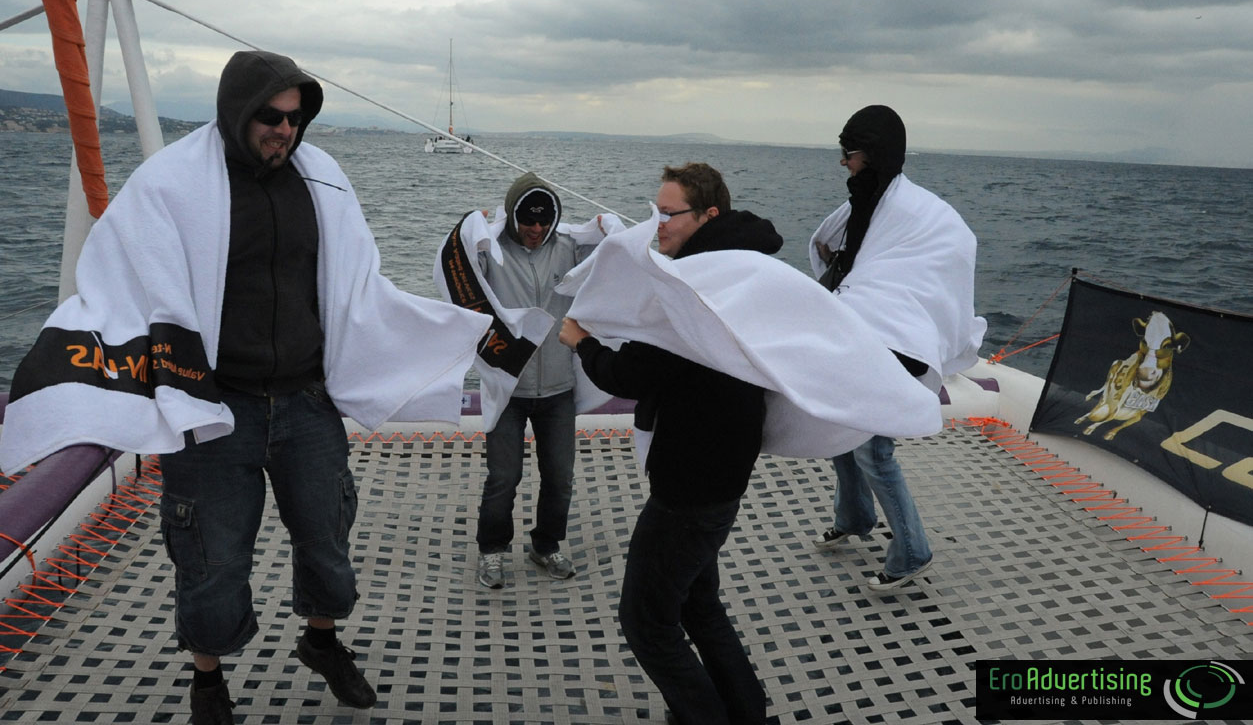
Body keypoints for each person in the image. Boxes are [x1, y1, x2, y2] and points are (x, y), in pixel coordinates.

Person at [2, 50, 491, 725]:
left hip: (306, 399)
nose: (284, 130)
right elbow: (116, 281)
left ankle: (321, 642)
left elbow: (357, 283)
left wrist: (453, 331)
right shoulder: (171, 183)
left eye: (296, 118)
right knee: (212, 555)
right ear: (237, 111)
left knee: (326, 533)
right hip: (213, 408)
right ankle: (208, 682)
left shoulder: (323, 179)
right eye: (270, 116)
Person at [559, 162, 779, 725]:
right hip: (724, 470)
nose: (656, 223)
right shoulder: (744, 268)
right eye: (653, 211)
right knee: (699, 605)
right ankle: (747, 713)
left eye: (668, 214)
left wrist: (581, 341)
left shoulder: (692, 286)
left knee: (648, 624)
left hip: (690, 485)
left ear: (708, 215)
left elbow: (632, 375)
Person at [810, 104, 983, 592]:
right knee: (834, 425)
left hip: (896, 340)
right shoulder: (869, 202)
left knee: (872, 450)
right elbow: (866, 259)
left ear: (875, 155)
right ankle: (856, 517)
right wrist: (836, 258)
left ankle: (912, 551)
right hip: (865, 333)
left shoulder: (918, 211)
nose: (844, 163)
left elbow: (940, 259)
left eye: (850, 154)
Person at [471, 174, 600, 588]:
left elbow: (614, 259)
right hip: (509, 387)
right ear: (512, 217)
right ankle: (492, 552)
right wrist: (475, 228)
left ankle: (545, 546)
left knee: (560, 477)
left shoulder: (568, 249)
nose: (536, 230)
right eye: (528, 222)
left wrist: (605, 229)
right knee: (503, 478)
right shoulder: (494, 252)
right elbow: (458, 271)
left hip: (559, 387)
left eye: (544, 223)